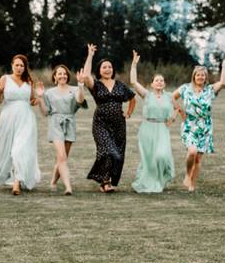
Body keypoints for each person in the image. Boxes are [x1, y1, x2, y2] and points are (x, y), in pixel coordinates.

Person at [77, 44, 136, 193]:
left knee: (117, 155)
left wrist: (128, 113)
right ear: (99, 70)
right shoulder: (95, 85)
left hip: (118, 125)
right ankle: (105, 181)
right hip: (101, 124)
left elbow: (132, 98)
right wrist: (90, 55)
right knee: (108, 151)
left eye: (109, 67)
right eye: (104, 67)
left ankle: (105, 180)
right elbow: (85, 75)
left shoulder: (121, 85)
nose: (107, 69)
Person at [174, 59, 225, 192]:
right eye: (198, 75)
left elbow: (222, 82)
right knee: (192, 151)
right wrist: (180, 110)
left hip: (205, 127)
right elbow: (171, 97)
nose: (200, 77)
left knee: (198, 159)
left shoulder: (210, 90)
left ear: (206, 77)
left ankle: (192, 184)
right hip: (190, 125)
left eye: (203, 75)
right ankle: (187, 176)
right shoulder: (185, 88)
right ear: (194, 76)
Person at [0, 54, 41, 195]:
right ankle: (11, 176)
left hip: (26, 118)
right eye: (16, 65)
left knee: (20, 149)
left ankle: (17, 183)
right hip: (8, 118)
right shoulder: (4, 79)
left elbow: (32, 101)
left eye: (22, 65)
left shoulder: (29, 81)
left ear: (25, 67)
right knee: (7, 150)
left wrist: (38, 97)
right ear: (12, 65)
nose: (19, 68)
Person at [129, 51, 177, 193]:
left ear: (164, 84)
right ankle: (150, 181)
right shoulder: (147, 95)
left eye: (162, 80)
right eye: (157, 80)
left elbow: (177, 108)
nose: (159, 82)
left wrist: (172, 118)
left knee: (161, 156)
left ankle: (160, 179)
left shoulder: (169, 96)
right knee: (149, 158)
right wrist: (133, 65)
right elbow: (133, 82)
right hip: (147, 129)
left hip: (162, 129)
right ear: (152, 84)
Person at [38, 64, 87, 195]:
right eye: (59, 73)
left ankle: (53, 182)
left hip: (70, 123)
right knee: (61, 156)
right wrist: (40, 97)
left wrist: (81, 84)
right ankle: (68, 187)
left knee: (62, 158)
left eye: (64, 73)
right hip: (55, 124)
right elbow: (44, 112)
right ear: (55, 77)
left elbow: (80, 100)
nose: (62, 75)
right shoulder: (48, 92)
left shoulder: (75, 89)